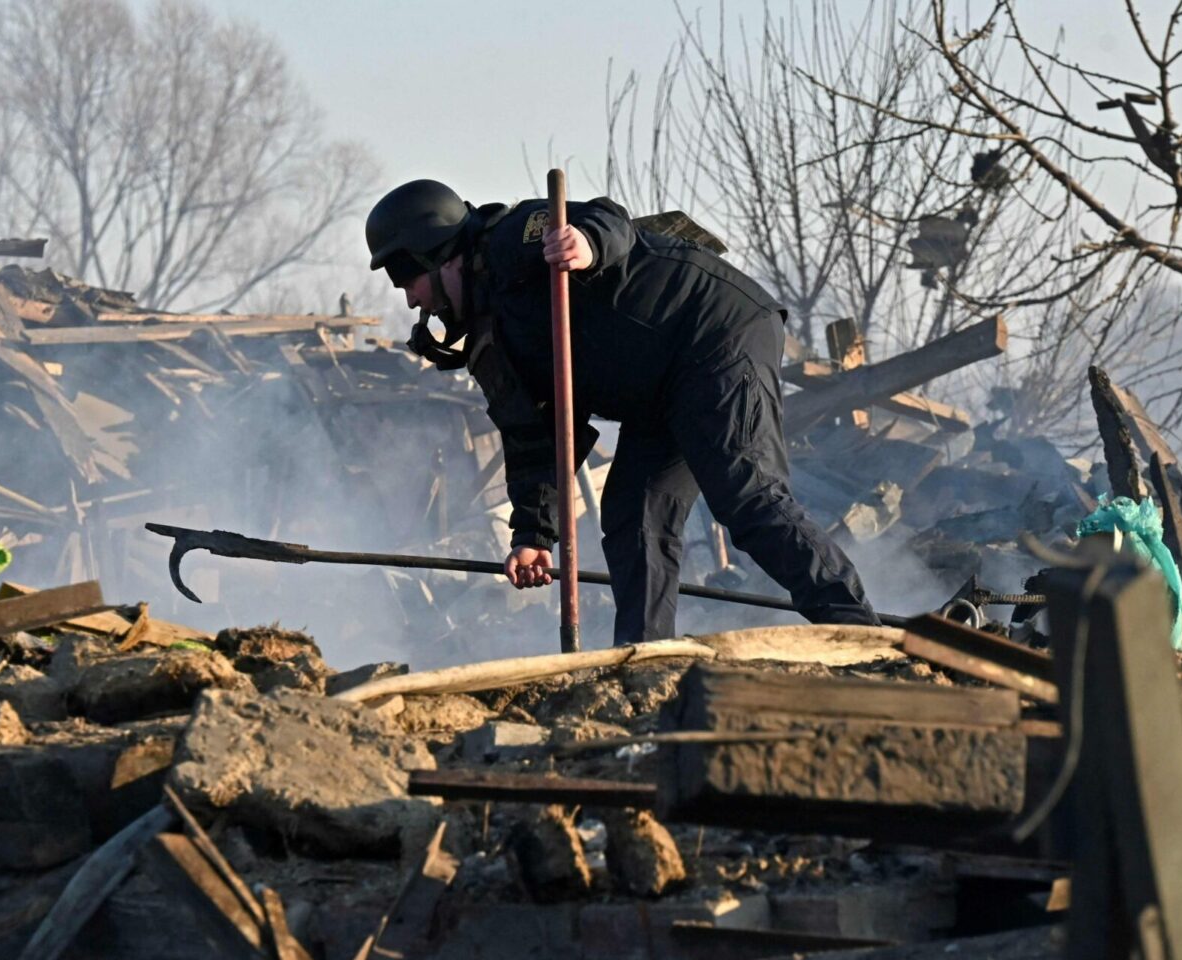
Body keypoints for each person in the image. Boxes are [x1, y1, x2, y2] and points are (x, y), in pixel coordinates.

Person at [365, 179, 878, 644]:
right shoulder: (488, 342)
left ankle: (857, 631)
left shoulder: (511, 238)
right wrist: (531, 536)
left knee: (743, 491)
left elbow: (607, 219)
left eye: (406, 277)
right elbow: (532, 439)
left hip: (715, 334)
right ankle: (643, 654)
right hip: (658, 391)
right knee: (634, 515)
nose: (410, 299)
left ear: (438, 255)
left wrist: (586, 246)